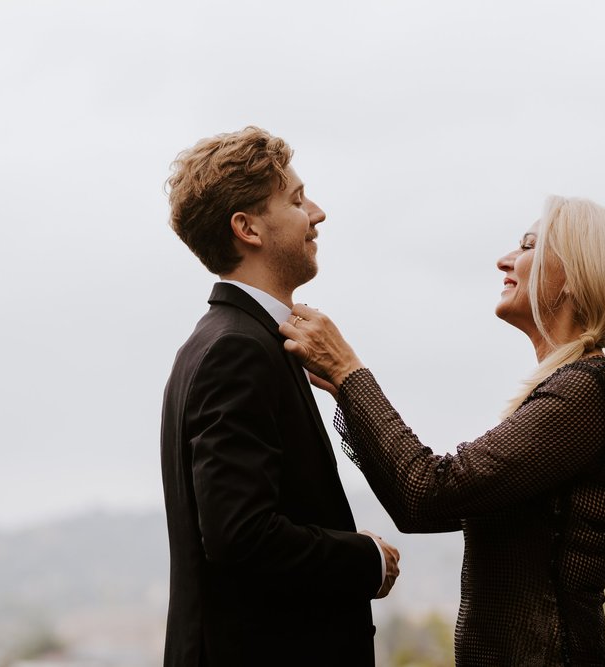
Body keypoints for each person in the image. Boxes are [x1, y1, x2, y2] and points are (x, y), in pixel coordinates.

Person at [281, 195, 605, 666]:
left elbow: (428, 492)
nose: (505, 259)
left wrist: (352, 375)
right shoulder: (575, 389)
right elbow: (422, 508)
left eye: (529, 244)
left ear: (574, 275)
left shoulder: (585, 393)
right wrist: (347, 391)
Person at [159, 125, 400, 666]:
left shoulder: (228, 340)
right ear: (247, 228)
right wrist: (364, 560)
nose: (317, 213)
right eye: (296, 199)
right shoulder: (236, 351)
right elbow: (241, 535)